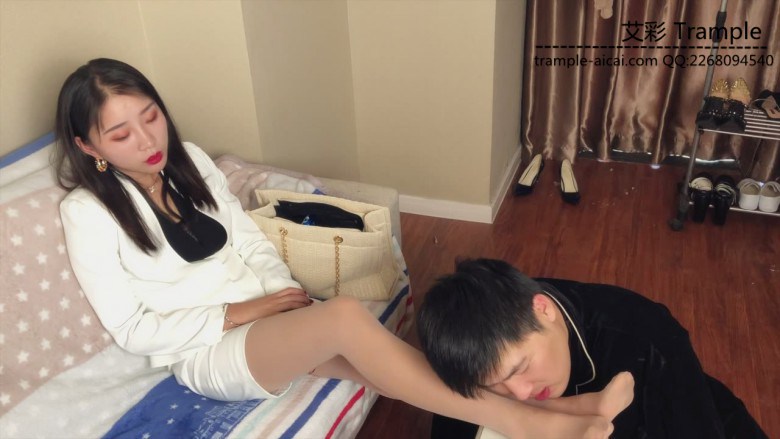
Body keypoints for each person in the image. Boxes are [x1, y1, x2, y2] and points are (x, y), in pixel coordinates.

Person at [55, 58, 630, 439]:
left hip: (270, 322)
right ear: (89, 147)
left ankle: (564, 410)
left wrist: (285, 295)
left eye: (151, 116)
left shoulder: (193, 163)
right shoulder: (88, 212)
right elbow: (133, 331)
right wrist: (250, 311)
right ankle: (536, 427)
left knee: (389, 367)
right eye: (121, 134)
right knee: (348, 318)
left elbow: (250, 241)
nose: (148, 140)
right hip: (208, 352)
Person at [417, 258, 768, 439]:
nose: (520, 393)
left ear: (544, 310)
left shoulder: (647, 338)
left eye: (521, 368)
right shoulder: (471, 364)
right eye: (495, 386)